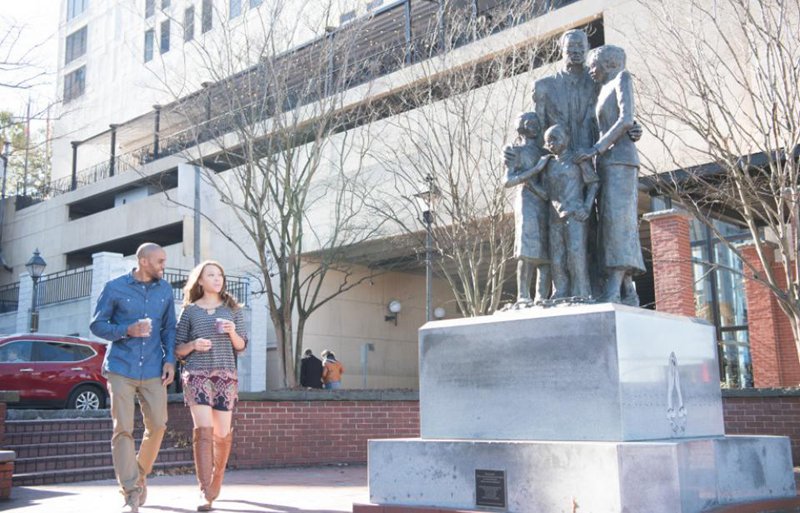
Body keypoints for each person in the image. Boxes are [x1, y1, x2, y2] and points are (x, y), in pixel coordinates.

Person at [90, 243, 176, 513]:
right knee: (123, 429)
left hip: (153, 368)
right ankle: (131, 493)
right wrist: (127, 329)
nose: (164, 265)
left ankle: (138, 475)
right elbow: (97, 325)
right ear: (143, 261)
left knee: (159, 425)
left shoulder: (165, 290)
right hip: (121, 367)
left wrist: (170, 360)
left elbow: (169, 328)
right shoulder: (115, 287)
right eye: (160, 260)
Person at [175, 260, 247, 512]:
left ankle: (216, 482)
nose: (217, 279)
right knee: (203, 430)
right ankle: (205, 491)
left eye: (220, 275)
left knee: (222, 434)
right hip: (196, 375)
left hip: (226, 375)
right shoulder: (190, 311)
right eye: (211, 275)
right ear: (201, 281)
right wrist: (194, 344)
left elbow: (242, 345)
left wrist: (232, 332)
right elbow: (178, 349)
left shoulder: (233, 309)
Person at [575, 45, 646, 304]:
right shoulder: (600, 89)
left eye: (593, 65)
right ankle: (629, 291)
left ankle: (615, 289)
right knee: (610, 224)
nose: (590, 70)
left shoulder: (621, 78)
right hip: (606, 164)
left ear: (608, 63)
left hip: (621, 162)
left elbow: (627, 119)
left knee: (619, 223)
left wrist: (597, 148)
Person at [540, 124, 599, 299]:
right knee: (557, 258)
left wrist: (587, 208)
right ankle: (560, 292)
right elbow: (545, 192)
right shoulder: (548, 164)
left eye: (554, 138)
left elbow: (593, 183)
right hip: (554, 217)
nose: (551, 144)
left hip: (575, 214)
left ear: (566, 138)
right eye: (548, 141)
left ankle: (581, 292)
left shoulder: (577, 159)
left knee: (576, 255)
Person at [502, 112, 553, 306]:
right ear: (521, 126)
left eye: (537, 122)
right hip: (527, 203)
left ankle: (542, 297)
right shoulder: (515, 151)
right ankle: (523, 295)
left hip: (547, 204)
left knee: (546, 253)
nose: (535, 126)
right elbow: (508, 181)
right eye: (530, 122)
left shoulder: (545, 152)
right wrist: (536, 170)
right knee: (527, 250)